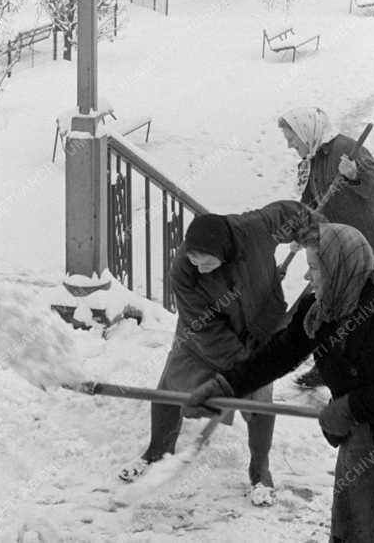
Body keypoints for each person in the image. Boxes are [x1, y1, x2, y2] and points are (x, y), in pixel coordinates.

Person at [187, 221, 374, 543]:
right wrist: (224, 386)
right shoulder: (319, 312)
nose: (307, 277)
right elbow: (277, 355)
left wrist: (347, 409)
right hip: (363, 432)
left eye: (315, 267)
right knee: (351, 531)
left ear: (341, 267)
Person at [118, 200, 311, 506]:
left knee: (259, 400)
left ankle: (260, 470)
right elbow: (205, 329)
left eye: (205, 261)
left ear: (222, 250)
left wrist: (311, 236)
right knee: (172, 387)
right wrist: (243, 366)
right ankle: (157, 450)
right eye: (194, 260)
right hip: (201, 336)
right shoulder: (184, 272)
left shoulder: (253, 228)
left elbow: (294, 213)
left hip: (262, 326)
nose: (199, 267)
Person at [278, 108, 374, 273]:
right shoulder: (310, 162)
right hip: (348, 245)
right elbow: (309, 204)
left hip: (373, 243)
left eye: (291, 139)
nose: (289, 145)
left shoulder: (345, 148)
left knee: (363, 294)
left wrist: (355, 176)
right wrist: (300, 232)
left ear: (305, 132)